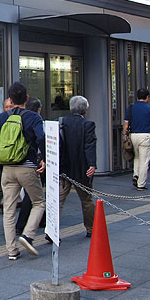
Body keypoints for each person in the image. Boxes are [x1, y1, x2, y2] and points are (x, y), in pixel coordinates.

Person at [0, 82, 45, 260]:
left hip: (7, 169)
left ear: (10, 99)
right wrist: (42, 159)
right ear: (27, 98)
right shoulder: (33, 117)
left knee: (8, 210)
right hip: (27, 167)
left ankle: (11, 251)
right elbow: (41, 137)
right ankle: (27, 235)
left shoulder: (3, 117)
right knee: (39, 202)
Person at [58, 96, 97, 237]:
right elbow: (89, 146)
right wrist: (92, 164)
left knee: (59, 200)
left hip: (64, 168)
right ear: (85, 110)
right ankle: (90, 229)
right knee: (86, 200)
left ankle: (52, 230)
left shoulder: (61, 122)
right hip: (82, 169)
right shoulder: (88, 124)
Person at [15, 97, 45, 235]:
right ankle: (23, 228)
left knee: (34, 193)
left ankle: (42, 219)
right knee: (34, 195)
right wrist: (43, 157)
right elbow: (41, 138)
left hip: (17, 161)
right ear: (38, 110)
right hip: (33, 162)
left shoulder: (18, 119)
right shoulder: (37, 121)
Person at [123, 88, 150, 190]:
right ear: (147, 97)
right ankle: (141, 183)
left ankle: (136, 174)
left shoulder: (130, 108)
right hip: (145, 136)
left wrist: (124, 135)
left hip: (133, 136)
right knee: (144, 160)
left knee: (137, 157)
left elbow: (126, 124)